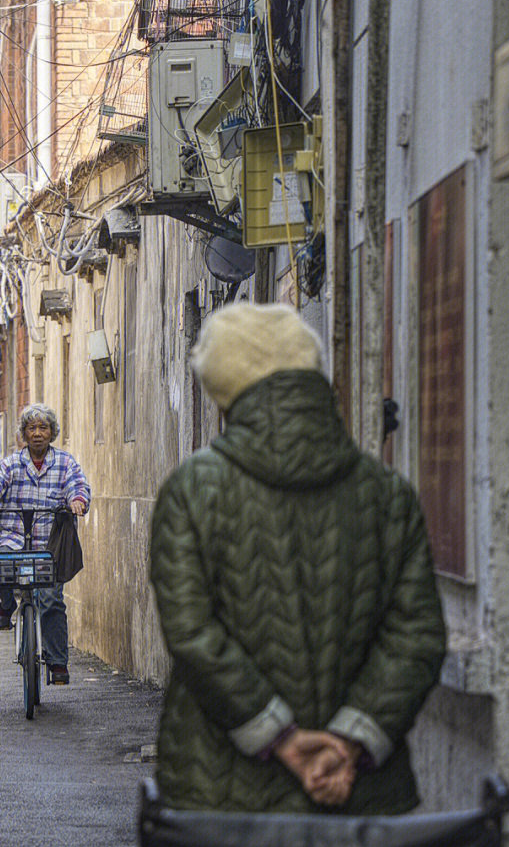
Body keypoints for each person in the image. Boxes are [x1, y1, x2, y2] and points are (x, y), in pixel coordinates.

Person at [149, 303, 446, 814]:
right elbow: (416, 635)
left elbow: (192, 634)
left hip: (221, 796)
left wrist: (283, 740)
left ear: (223, 396)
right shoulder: (386, 493)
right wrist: (347, 743)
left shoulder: (192, 490)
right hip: (360, 797)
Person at [0, 403, 90, 685]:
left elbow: (78, 485)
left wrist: (77, 500)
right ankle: (7, 603)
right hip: (14, 537)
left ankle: (58, 662)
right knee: (0, 568)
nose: (37, 433)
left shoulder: (65, 462)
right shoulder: (12, 463)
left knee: (50, 600)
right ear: (23, 433)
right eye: (31, 428)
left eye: (43, 428)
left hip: (50, 544)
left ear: (51, 433)